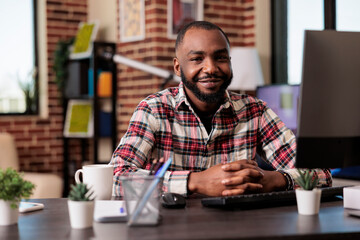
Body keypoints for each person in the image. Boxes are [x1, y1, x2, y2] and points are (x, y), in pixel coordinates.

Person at [110, 21, 332, 197]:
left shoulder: (255, 111)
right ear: (178, 66)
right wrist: (195, 182)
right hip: (171, 230)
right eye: (197, 59)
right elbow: (115, 177)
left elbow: (321, 174)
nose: (211, 68)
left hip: (243, 228)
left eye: (220, 57)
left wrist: (272, 179)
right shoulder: (153, 110)